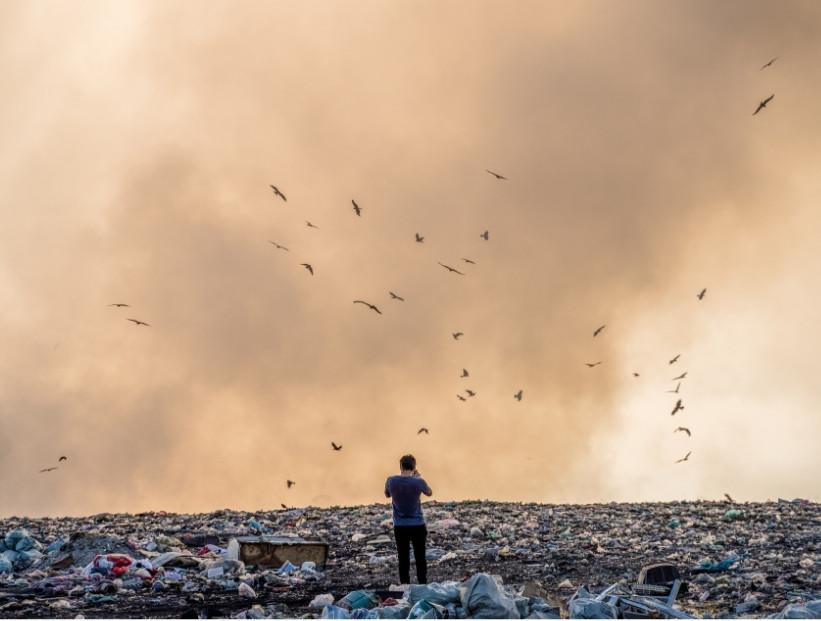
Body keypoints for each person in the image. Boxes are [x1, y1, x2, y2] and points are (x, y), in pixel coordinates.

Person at [384, 454, 433, 585]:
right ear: (414, 467)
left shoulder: (391, 480)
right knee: (420, 557)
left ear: (400, 466)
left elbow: (387, 494)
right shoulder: (418, 482)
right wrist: (417, 478)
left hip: (400, 525)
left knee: (403, 558)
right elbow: (429, 492)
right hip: (417, 524)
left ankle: (405, 586)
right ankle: (423, 584)